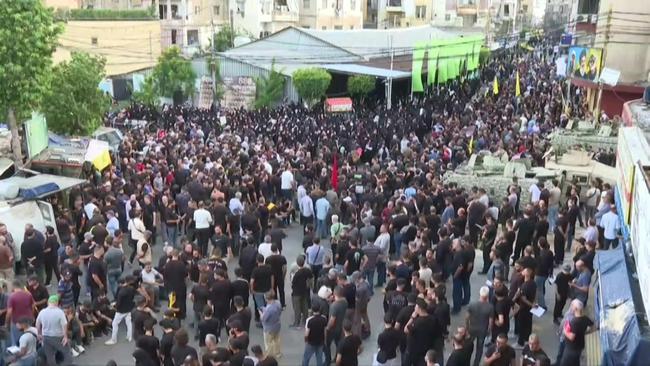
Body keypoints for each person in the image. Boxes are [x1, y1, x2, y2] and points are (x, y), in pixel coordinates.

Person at [36, 295, 73, 366]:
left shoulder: (42, 312)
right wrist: (65, 337)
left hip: (46, 336)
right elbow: (64, 324)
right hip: (58, 336)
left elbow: (37, 323)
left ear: (48, 302)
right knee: (66, 353)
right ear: (57, 303)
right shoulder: (59, 312)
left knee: (50, 356)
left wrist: (39, 334)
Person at [559, 300, 594, 366]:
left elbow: (571, 337)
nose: (571, 307)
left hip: (571, 349)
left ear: (575, 309)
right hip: (579, 346)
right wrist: (585, 332)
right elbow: (593, 326)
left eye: (572, 305)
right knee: (575, 363)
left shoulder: (574, 322)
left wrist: (565, 331)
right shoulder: (585, 318)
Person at [465, 286, 493, 366]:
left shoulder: (472, 304)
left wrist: (467, 327)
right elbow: (490, 321)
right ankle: (476, 364)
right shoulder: (490, 307)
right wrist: (489, 330)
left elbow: (467, 317)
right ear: (487, 295)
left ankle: (466, 361)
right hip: (482, 330)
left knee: (468, 346)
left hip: (472, 328)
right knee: (479, 348)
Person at [105, 276, 136, 345]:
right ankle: (129, 336)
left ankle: (114, 339)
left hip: (121, 310)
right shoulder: (131, 288)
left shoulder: (121, 292)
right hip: (129, 308)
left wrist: (113, 306)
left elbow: (118, 303)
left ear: (119, 283)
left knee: (114, 324)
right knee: (128, 322)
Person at [7, 279, 35, 347]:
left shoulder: (12, 296)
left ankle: (17, 351)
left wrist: (7, 323)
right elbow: (33, 306)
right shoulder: (28, 294)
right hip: (28, 319)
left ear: (13, 287)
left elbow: (9, 312)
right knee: (29, 337)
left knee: (16, 340)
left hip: (17, 321)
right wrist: (32, 315)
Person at [325, 286, 348, 366]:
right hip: (340, 326)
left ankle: (327, 361)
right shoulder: (345, 302)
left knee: (327, 345)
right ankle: (337, 357)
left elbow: (332, 319)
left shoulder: (334, 306)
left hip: (332, 329)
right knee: (338, 343)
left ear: (334, 294)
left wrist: (327, 328)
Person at [291, 254, 313, 328]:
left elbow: (293, 283)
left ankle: (296, 323)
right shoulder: (307, 270)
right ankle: (305, 321)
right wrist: (309, 285)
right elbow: (311, 278)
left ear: (297, 263)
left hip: (296, 292)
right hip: (305, 290)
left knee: (297, 308)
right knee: (305, 306)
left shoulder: (297, 274)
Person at [260, 291, 282, 359]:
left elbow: (264, 319)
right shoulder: (278, 303)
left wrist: (261, 313)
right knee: (277, 340)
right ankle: (277, 353)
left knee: (268, 342)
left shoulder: (269, 309)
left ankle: (269, 355)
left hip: (269, 328)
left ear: (266, 298)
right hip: (277, 324)